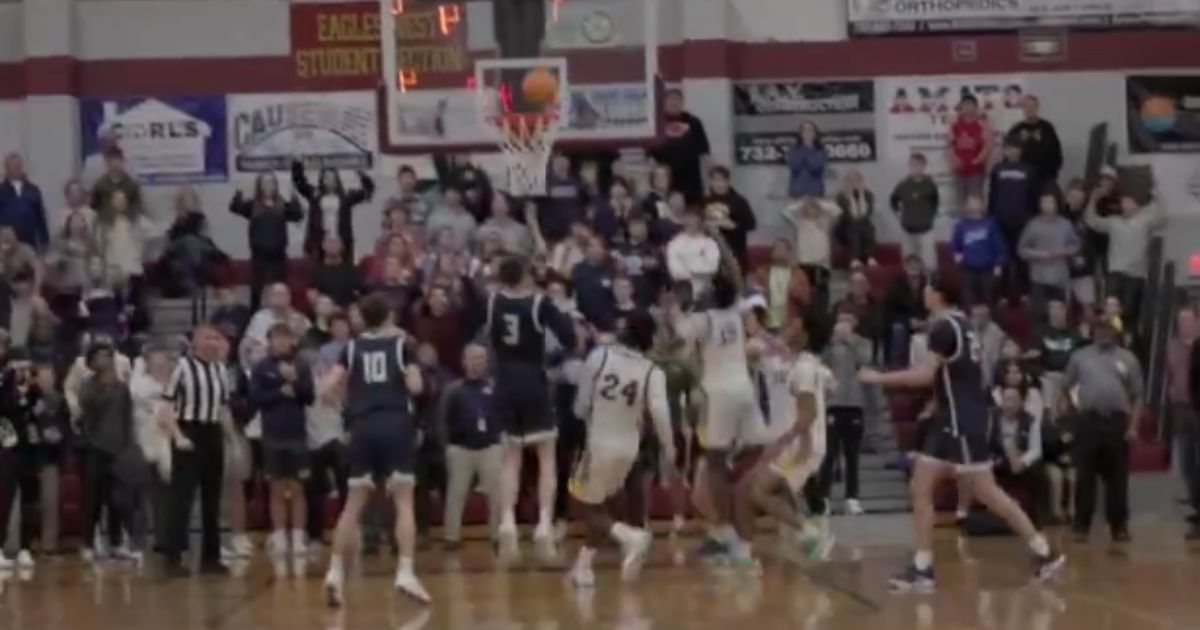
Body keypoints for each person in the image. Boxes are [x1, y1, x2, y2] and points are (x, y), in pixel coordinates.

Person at [859, 277, 1064, 591]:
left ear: (938, 294)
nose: (923, 293)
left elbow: (927, 375)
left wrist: (879, 378)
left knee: (987, 493)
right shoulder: (965, 325)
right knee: (920, 487)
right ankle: (922, 567)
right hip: (952, 420)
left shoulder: (944, 329)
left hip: (962, 424)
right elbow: (960, 377)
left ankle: (1043, 551)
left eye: (928, 288)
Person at [319, 293, 428, 606]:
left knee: (353, 505)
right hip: (394, 423)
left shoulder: (351, 348)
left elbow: (326, 387)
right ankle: (405, 571)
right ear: (389, 316)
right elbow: (416, 387)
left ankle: (335, 571)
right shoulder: (400, 345)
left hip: (362, 426)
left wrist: (344, 401)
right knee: (404, 500)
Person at [567, 310, 675, 587]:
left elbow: (581, 406)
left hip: (599, 442)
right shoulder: (652, 371)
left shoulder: (599, 356)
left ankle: (630, 537)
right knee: (603, 505)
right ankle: (584, 567)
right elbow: (661, 415)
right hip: (628, 448)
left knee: (584, 505)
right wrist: (670, 449)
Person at [669, 270, 766, 562]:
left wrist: (677, 310)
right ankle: (739, 526)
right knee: (746, 456)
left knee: (714, 465)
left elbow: (678, 339)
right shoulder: (737, 312)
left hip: (719, 394)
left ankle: (726, 533)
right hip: (744, 390)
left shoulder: (703, 319)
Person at [486, 256, 578, 562]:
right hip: (532, 380)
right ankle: (543, 526)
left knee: (510, 458)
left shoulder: (492, 301)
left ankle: (508, 524)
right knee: (546, 455)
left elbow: (488, 340)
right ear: (525, 274)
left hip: (504, 380)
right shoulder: (540, 303)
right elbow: (569, 338)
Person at [731, 318, 834, 567]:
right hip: (790, 439)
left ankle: (811, 532)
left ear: (805, 335)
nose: (788, 328)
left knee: (754, 490)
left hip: (799, 443)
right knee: (747, 491)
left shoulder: (806, 368)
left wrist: (789, 442)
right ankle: (747, 552)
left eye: (795, 325)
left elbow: (809, 413)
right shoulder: (794, 361)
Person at [1060, 313, 1143, 543]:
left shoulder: (1128, 359)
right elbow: (1066, 387)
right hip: (1088, 421)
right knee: (1085, 475)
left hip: (1116, 421)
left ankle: (1119, 526)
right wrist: (1074, 413)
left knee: (1117, 477)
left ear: (1115, 332)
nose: (1102, 332)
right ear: (1092, 331)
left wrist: (1133, 426)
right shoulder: (1079, 357)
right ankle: (1081, 526)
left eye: (1107, 328)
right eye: (1098, 328)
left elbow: (1137, 396)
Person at [162, 325, 233, 577]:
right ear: (195, 342)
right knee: (182, 497)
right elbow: (165, 406)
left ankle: (210, 558)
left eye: (216, 337)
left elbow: (223, 409)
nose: (213, 342)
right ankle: (173, 557)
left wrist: (232, 440)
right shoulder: (182, 367)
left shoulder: (220, 370)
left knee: (212, 499)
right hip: (188, 430)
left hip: (212, 431)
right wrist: (178, 436)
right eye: (207, 337)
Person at [250, 323, 315, 556]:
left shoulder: (301, 365)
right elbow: (255, 398)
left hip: (296, 433)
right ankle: (279, 537)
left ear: (292, 341)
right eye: (276, 338)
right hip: (272, 434)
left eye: (285, 338)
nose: (280, 342)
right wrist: (280, 392)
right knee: (276, 488)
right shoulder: (261, 367)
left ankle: (298, 537)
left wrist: (295, 382)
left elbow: (309, 397)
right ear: (270, 341)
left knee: (297, 488)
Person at [436, 344, 503, 548]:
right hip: (460, 448)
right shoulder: (453, 389)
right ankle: (451, 536)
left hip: (490, 447)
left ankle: (497, 535)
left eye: (480, 358)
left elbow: (504, 415)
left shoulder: (495, 387)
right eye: (472, 358)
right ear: (463, 361)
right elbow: (441, 419)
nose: (476, 363)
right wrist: (446, 446)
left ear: (487, 362)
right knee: (456, 494)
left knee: (497, 494)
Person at [651, 89, 711, 204]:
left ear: (682, 102)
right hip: (664, 179)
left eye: (677, 99)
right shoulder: (656, 122)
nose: (673, 103)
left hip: (691, 179)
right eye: (670, 99)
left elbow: (704, 153)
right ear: (663, 103)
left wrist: (707, 182)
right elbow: (648, 153)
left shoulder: (694, 122)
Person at [890, 153, 939, 271]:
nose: (915, 167)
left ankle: (929, 286)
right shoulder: (903, 185)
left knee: (929, 264)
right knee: (908, 264)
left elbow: (935, 203)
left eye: (918, 165)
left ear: (924, 166)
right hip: (907, 231)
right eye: (912, 164)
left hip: (925, 231)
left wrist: (928, 217)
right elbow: (893, 200)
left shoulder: (930, 185)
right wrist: (898, 212)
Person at [1006, 95, 1063, 192]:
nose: (1029, 109)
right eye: (1026, 106)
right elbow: (1007, 154)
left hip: (1044, 178)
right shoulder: (1016, 129)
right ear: (1022, 109)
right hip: (1022, 179)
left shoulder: (1047, 128)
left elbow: (1056, 151)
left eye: (1032, 106)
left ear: (1037, 108)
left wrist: (1054, 172)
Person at [947, 95, 994, 202]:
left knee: (976, 201)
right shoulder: (954, 126)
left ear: (976, 107)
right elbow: (950, 146)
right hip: (959, 171)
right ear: (961, 107)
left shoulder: (983, 125)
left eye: (970, 104)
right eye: (965, 105)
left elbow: (988, 145)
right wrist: (956, 161)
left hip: (976, 171)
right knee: (961, 201)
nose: (967, 107)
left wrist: (977, 161)